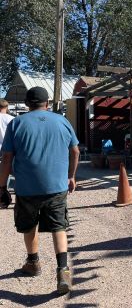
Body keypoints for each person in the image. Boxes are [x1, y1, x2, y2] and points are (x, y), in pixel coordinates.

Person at [0, 87, 79, 295]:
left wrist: (2, 187)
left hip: (26, 187)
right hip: (57, 186)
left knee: (29, 225)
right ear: (47, 102)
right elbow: (75, 150)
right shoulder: (62, 121)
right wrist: (71, 176)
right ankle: (62, 270)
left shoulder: (16, 123)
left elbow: (7, 158)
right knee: (58, 226)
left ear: (27, 103)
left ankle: (33, 263)